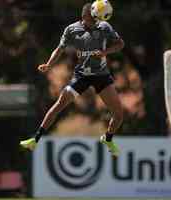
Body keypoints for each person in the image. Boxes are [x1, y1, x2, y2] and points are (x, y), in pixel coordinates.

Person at [20, 3, 125, 157]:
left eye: (97, 18)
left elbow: (120, 44)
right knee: (59, 104)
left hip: (101, 76)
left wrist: (105, 52)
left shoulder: (104, 27)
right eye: (92, 18)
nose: (95, 21)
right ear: (84, 17)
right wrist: (49, 64)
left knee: (118, 114)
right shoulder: (72, 29)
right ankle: (35, 140)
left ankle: (108, 139)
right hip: (81, 76)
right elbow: (59, 48)